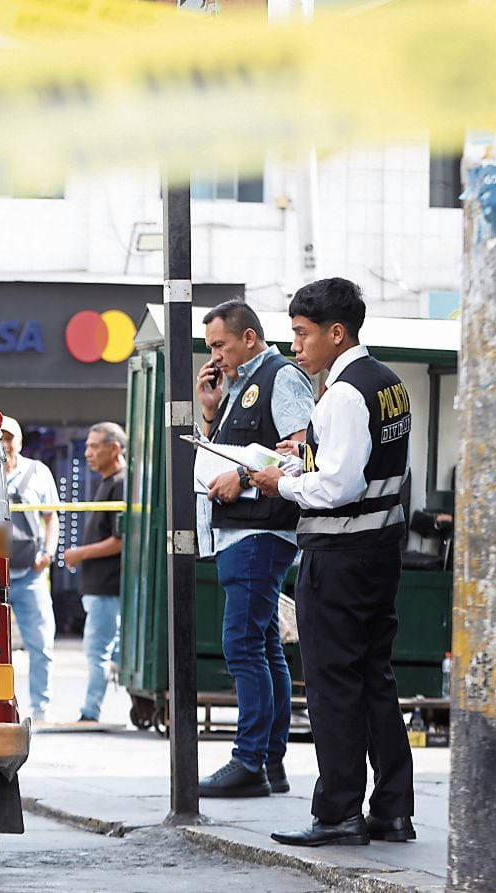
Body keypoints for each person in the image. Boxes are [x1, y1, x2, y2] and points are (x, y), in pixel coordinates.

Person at [252, 277, 416, 847]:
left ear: (336, 333)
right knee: (374, 678)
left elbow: (342, 484)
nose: (295, 346)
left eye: (302, 334)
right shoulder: (388, 383)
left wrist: (283, 483)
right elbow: (367, 470)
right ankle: (393, 809)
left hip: (341, 554)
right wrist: (301, 462)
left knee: (332, 685)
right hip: (378, 552)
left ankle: (338, 812)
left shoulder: (344, 393)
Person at [194, 300, 313, 797]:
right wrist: (210, 413)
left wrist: (242, 476)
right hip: (243, 530)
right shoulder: (238, 386)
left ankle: (249, 762)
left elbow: (304, 452)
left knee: (242, 645)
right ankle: (270, 762)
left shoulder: (280, 378)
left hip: (260, 530)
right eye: (210, 348)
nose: (216, 356)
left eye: (220, 345)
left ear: (249, 337)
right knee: (264, 646)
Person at [62, 422, 126, 724]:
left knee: (99, 652)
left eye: (94, 446)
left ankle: (91, 711)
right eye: (87, 446)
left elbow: (120, 540)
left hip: (107, 587)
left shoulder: (121, 482)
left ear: (114, 449)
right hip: (97, 587)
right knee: (106, 652)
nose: (88, 453)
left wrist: (80, 553)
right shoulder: (106, 481)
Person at [1, 415, 60, 724]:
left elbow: (51, 518)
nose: (4, 444)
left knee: (41, 643)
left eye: (9, 438)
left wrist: (48, 553)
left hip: (30, 574)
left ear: (20, 442)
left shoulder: (37, 473)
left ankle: (40, 708)